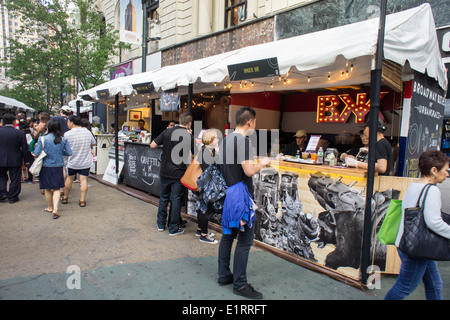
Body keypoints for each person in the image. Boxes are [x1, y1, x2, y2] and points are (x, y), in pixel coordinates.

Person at [217, 106, 270, 299]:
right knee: (245, 239)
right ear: (250, 122)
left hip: (228, 193)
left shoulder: (226, 140)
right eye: (255, 122)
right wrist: (263, 162)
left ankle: (224, 275)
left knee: (228, 235)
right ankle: (240, 284)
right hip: (240, 195)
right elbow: (248, 171)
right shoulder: (244, 142)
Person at [385, 150, 450, 300]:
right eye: (445, 170)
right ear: (434, 170)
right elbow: (434, 222)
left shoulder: (416, 184)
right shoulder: (431, 190)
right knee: (404, 287)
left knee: (435, 283)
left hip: (409, 243)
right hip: (417, 248)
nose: (447, 174)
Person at [150, 113, 195, 236]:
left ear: (179, 121)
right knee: (176, 200)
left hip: (164, 171)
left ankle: (160, 224)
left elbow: (152, 145)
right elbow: (197, 152)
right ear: (189, 124)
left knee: (164, 198)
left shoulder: (168, 131)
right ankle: (173, 228)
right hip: (178, 173)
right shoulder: (188, 135)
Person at [33, 119, 72, 219]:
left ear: (48, 127)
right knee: (57, 188)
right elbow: (69, 153)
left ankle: (50, 207)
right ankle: (56, 209)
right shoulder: (63, 139)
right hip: (58, 167)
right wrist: (59, 153)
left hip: (46, 167)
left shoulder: (43, 139)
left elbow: (36, 153)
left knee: (47, 188)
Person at [62, 115, 96, 207]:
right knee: (84, 180)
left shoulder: (67, 134)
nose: (67, 123)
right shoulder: (87, 132)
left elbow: (64, 147)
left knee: (69, 178)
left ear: (72, 122)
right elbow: (94, 143)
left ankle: (65, 197)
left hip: (72, 161)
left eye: (68, 122)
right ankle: (82, 200)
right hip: (85, 161)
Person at [196, 128, 220, 244]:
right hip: (207, 184)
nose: (218, 139)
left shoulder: (207, 150)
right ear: (210, 139)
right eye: (216, 137)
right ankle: (204, 235)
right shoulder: (206, 152)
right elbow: (209, 169)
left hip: (205, 183)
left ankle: (200, 230)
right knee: (205, 209)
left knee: (202, 208)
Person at [0, 114, 30, 204]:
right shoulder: (20, 133)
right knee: (15, 178)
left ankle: (2, 193)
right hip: (15, 158)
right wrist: (26, 160)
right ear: (14, 121)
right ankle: (13, 196)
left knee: (1, 176)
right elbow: (24, 148)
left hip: (0, 158)